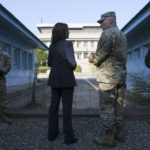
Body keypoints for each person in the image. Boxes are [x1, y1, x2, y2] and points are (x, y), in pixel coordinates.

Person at [88, 11, 127, 147]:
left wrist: (92, 59)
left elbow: (99, 57)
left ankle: (108, 137)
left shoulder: (108, 34)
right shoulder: (122, 35)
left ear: (110, 21)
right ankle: (120, 133)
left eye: (102, 22)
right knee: (119, 105)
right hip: (120, 77)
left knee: (107, 107)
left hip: (108, 79)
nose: (100, 25)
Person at [47, 23, 78, 145]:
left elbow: (49, 63)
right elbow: (73, 63)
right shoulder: (67, 44)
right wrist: (72, 65)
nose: (69, 32)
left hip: (54, 79)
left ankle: (52, 135)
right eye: (68, 30)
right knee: (67, 109)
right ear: (63, 32)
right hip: (67, 80)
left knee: (53, 107)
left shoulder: (52, 45)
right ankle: (69, 137)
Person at [0, 45, 12, 124]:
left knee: (3, 98)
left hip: (0, 79)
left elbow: (9, 66)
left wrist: (4, 71)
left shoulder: (5, 55)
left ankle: (2, 116)